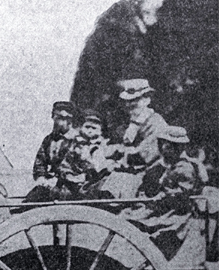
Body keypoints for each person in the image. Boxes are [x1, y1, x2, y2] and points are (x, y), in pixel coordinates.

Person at [119, 126, 203, 259]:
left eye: (167, 145)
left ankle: (130, 253)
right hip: (160, 206)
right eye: (162, 144)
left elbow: (181, 193)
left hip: (174, 211)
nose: (162, 148)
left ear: (178, 148)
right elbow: (147, 181)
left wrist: (160, 196)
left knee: (131, 218)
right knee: (126, 214)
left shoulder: (184, 168)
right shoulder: (162, 164)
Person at [103, 78, 170, 198]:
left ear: (147, 99)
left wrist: (120, 152)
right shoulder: (133, 122)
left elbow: (147, 154)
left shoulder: (155, 122)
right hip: (126, 174)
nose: (128, 105)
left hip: (147, 176)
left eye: (134, 100)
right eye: (126, 101)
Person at [22, 101, 77, 204]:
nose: (58, 122)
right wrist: (41, 178)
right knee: (29, 203)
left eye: (62, 118)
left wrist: (59, 182)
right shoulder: (49, 140)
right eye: (56, 118)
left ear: (70, 120)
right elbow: (40, 162)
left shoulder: (77, 140)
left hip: (71, 186)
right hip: (50, 185)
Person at [52, 109, 114, 200]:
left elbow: (104, 167)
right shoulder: (74, 145)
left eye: (94, 128)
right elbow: (65, 165)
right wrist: (71, 176)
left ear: (100, 130)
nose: (90, 131)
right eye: (87, 127)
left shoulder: (105, 146)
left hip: (95, 183)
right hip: (75, 182)